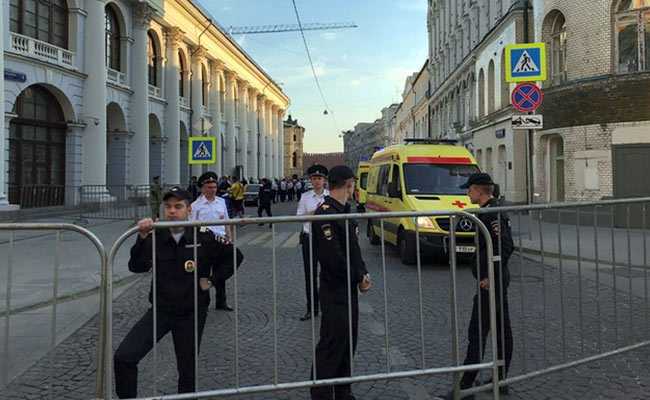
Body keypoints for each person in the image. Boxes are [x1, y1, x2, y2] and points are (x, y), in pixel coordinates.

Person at [113, 186, 242, 398]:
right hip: (160, 311)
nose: (172, 211)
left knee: (187, 371)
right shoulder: (157, 235)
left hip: (191, 313)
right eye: (168, 207)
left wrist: (211, 280)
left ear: (189, 209)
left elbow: (235, 256)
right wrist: (143, 238)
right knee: (124, 357)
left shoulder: (204, 235)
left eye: (178, 206)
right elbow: (137, 266)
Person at [441, 173, 514, 400]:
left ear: (478, 190)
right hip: (493, 280)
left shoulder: (491, 213)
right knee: (501, 329)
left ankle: (465, 387)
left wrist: (491, 276)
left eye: (469, 190)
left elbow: (506, 245)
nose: (466, 193)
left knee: (478, 332)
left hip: (491, 282)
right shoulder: (488, 210)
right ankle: (500, 379)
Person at [310, 165, 372, 400]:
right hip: (334, 288)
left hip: (348, 288)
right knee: (332, 342)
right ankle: (322, 393)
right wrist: (357, 276)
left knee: (348, 341)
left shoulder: (344, 210)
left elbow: (353, 250)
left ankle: (343, 390)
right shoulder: (326, 213)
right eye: (353, 184)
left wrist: (363, 273)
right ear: (348, 184)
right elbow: (333, 258)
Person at [191, 172, 235, 312]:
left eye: (214, 187)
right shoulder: (195, 206)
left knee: (223, 269)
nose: (212, 189)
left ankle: (221, 302)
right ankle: (203, 303)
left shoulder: (221, 202)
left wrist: (230, 237)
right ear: (203, 188)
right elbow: (192, 226)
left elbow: (226, 221)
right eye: (209, 187)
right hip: (205, 243)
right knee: (203, 271)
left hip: (221, 241)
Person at [296, 164, 329, 321]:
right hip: (309, 238)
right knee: (310, 274)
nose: (317, 181)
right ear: (310, 180)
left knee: (328, 273)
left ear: (324, 180)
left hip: (327, 239)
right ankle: (312, 308)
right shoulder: (305, 197)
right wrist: (316, 213)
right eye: (314, 178)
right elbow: (299, 217)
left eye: (319, 178)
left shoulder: (330, 197)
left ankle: (327, 306)